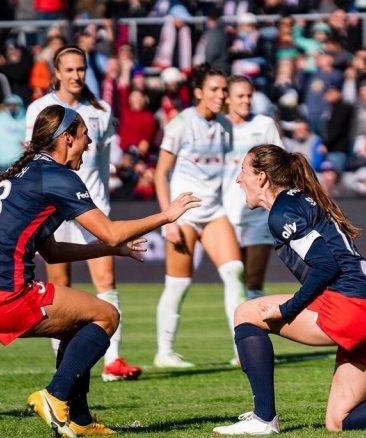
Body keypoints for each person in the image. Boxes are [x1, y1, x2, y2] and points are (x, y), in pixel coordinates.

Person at [0, 105, 199, 436]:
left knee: (77, 327)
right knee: (106, 316)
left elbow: (51, 253)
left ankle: (78, 420)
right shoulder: (58, 176)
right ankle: (55, 396)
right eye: (84, 136)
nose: (89, 144)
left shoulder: (27, 173)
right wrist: (166, 215)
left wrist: (110, 250)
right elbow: (109, 230)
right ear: (66, 138)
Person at [213, 144, 366, 435]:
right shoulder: (299, 200)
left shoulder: (282, 211)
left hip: (352, 306)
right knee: (339, 421)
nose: (238, 179)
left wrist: (287, 309)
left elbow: (326, 266)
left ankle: (264, 419)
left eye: (243, 171)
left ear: (262, 177)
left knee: (246, 313)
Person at [25, 45, 143, 382]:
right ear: (57, 73)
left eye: (82, 69)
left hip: (94, 208)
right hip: (55, 210)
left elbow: (104, 160)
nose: (77, 76)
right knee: (59, 284)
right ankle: (61, 362)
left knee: (106, 280)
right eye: (70, 69)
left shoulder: (100, 110)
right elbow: (33, 158)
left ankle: (112, 361)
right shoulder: (39, 109)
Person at [153, 63, 246, 368]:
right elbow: (161, 173)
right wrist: (169, 218)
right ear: (198, 93)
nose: (221, 96)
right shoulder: (180, 124)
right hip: (184, 213)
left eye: (223, 90)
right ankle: (164, 352)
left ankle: (242, 347)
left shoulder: (225, 126)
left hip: (214, 211)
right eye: (214, 90)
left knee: (235, 272)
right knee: (178, 283)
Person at [223, 76, 283, 304]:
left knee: (254, 280)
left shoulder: (264, 125)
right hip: (226, 215)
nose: (246, 101)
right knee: (234, 278)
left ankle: (253, 333)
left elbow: (280, 164)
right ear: (227, 98)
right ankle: (239, 333)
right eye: (240, 96)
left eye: (249, 95)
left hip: (259, 214)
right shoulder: (218, 126)